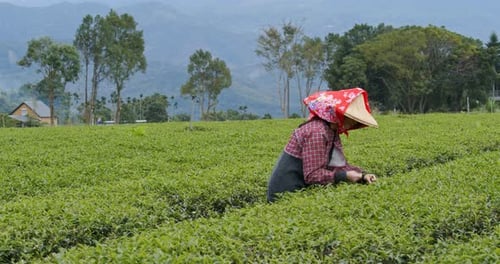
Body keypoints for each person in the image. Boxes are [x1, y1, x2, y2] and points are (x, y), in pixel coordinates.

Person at [267, 87, 379, 202]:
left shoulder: (331, 131)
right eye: (351, 118)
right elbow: (313, 175)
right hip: (285, 194)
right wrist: (345, 176)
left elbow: (338, 165)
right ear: (340, 114)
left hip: (300, 190)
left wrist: (363, 175)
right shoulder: (317, 132)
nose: (354, 123)